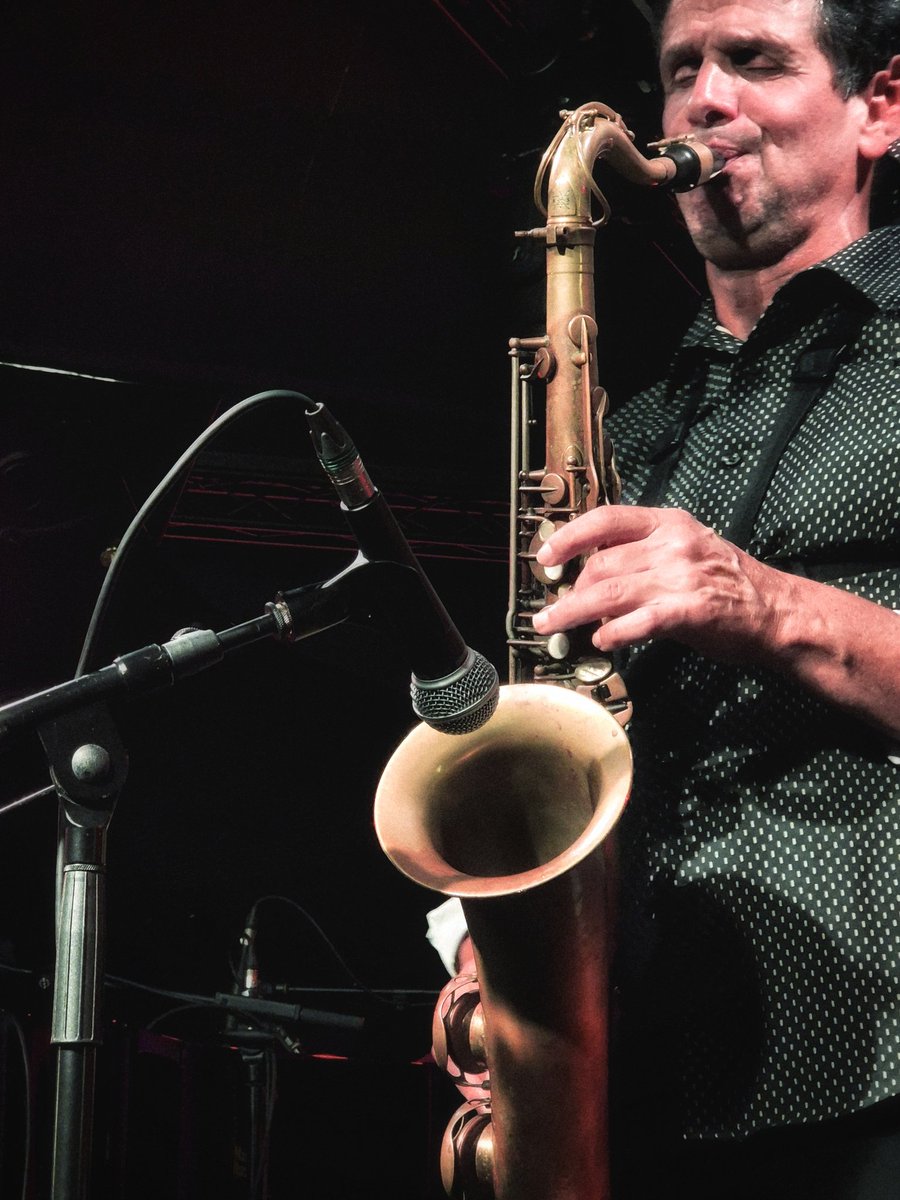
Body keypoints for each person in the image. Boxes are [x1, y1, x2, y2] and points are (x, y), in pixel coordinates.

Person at [427, 1, 900, 1196]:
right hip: (640, 1080)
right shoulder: (627, 432)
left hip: (870, 1061)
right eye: (682, 67)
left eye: (754, 61)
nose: (705, 100)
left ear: (879, 108)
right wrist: (505, 950)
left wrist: (763, 601)